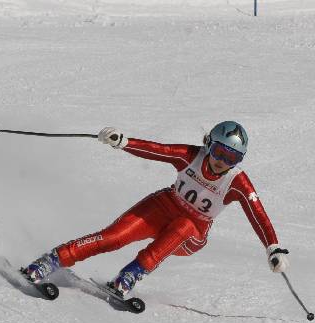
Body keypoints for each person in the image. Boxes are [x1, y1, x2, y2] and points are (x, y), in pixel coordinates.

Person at [22, 121, 288, 299]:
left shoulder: (236, 182)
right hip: (164, 206)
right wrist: (123, 142)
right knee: (113, 237)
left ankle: (130, 276)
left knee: (184, 226)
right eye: (219, 152)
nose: (222, 162)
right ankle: (50, 261)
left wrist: (272, 248)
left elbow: (258, 215)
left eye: (232, 158)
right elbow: (158, 151)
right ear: (209, 145)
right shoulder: (190, 156)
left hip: (192, 234)